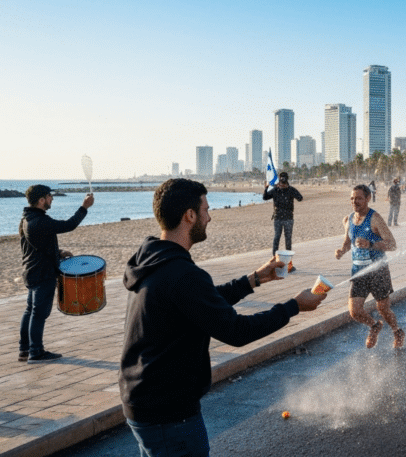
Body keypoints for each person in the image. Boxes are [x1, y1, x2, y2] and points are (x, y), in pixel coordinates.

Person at [120, 179, 326, 455]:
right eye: (205, 209)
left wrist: (253, 279)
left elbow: (202, 302)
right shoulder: (181, 273)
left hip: (142, 401)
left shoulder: (153, 260)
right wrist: (294, 306)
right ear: (189, 216)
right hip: (168, 412)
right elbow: (237, 331)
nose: (209, 216)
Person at [18, 185, 95, 363]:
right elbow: (69, 224)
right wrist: (84, 207)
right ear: (41, 200)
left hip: (31, 271)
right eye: (49, 196)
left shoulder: (26, 218)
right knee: (38, 313)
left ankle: (24, 349)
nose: (52, 199)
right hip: (42, 273)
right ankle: (36, 351)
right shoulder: (39, 221)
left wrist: (58, 252)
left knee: (30, 310)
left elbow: (36, 245)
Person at [335, 185, 404, 349]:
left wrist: (371, 244)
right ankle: (374, 326)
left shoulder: (375, 218)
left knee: (383, 309)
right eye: (352, 198)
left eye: (358, 198)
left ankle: (397, 331)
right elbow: (347, 243)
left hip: (377, 272)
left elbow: (392, 244)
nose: (354, 202)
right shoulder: (348, 219)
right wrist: (341, 251)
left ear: (367, 198)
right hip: (358, 272)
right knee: (355, 311)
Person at [263, 172, 303, 255]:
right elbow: (265, 197)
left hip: (284, 217)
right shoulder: (278, 189)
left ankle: (282, 260)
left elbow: (300, 198)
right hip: (282, 217)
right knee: (282, 238)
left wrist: (267, 188)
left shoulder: (280, 189)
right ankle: (278, 259)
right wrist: (267, 188)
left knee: (280, 238)